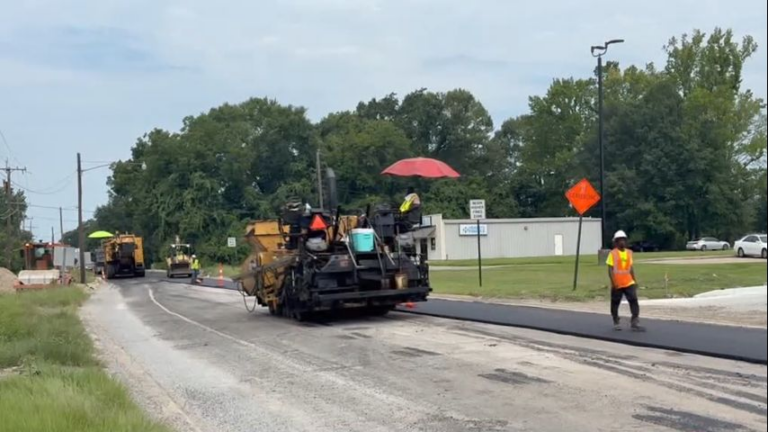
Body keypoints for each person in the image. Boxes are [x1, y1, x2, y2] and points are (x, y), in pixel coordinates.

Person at [606, 230, 644, 331]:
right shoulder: (612, 253)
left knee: (633, 300)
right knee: (615, 302)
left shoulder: (629, 253)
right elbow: (610, 269)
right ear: (616, 242)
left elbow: (630, 268)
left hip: (628, 282)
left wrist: (634, 280)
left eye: (623, 240)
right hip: (617, 283)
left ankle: (635, 321)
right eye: (620, 240)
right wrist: (613, 282)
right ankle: (616, 320)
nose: (622, 242)